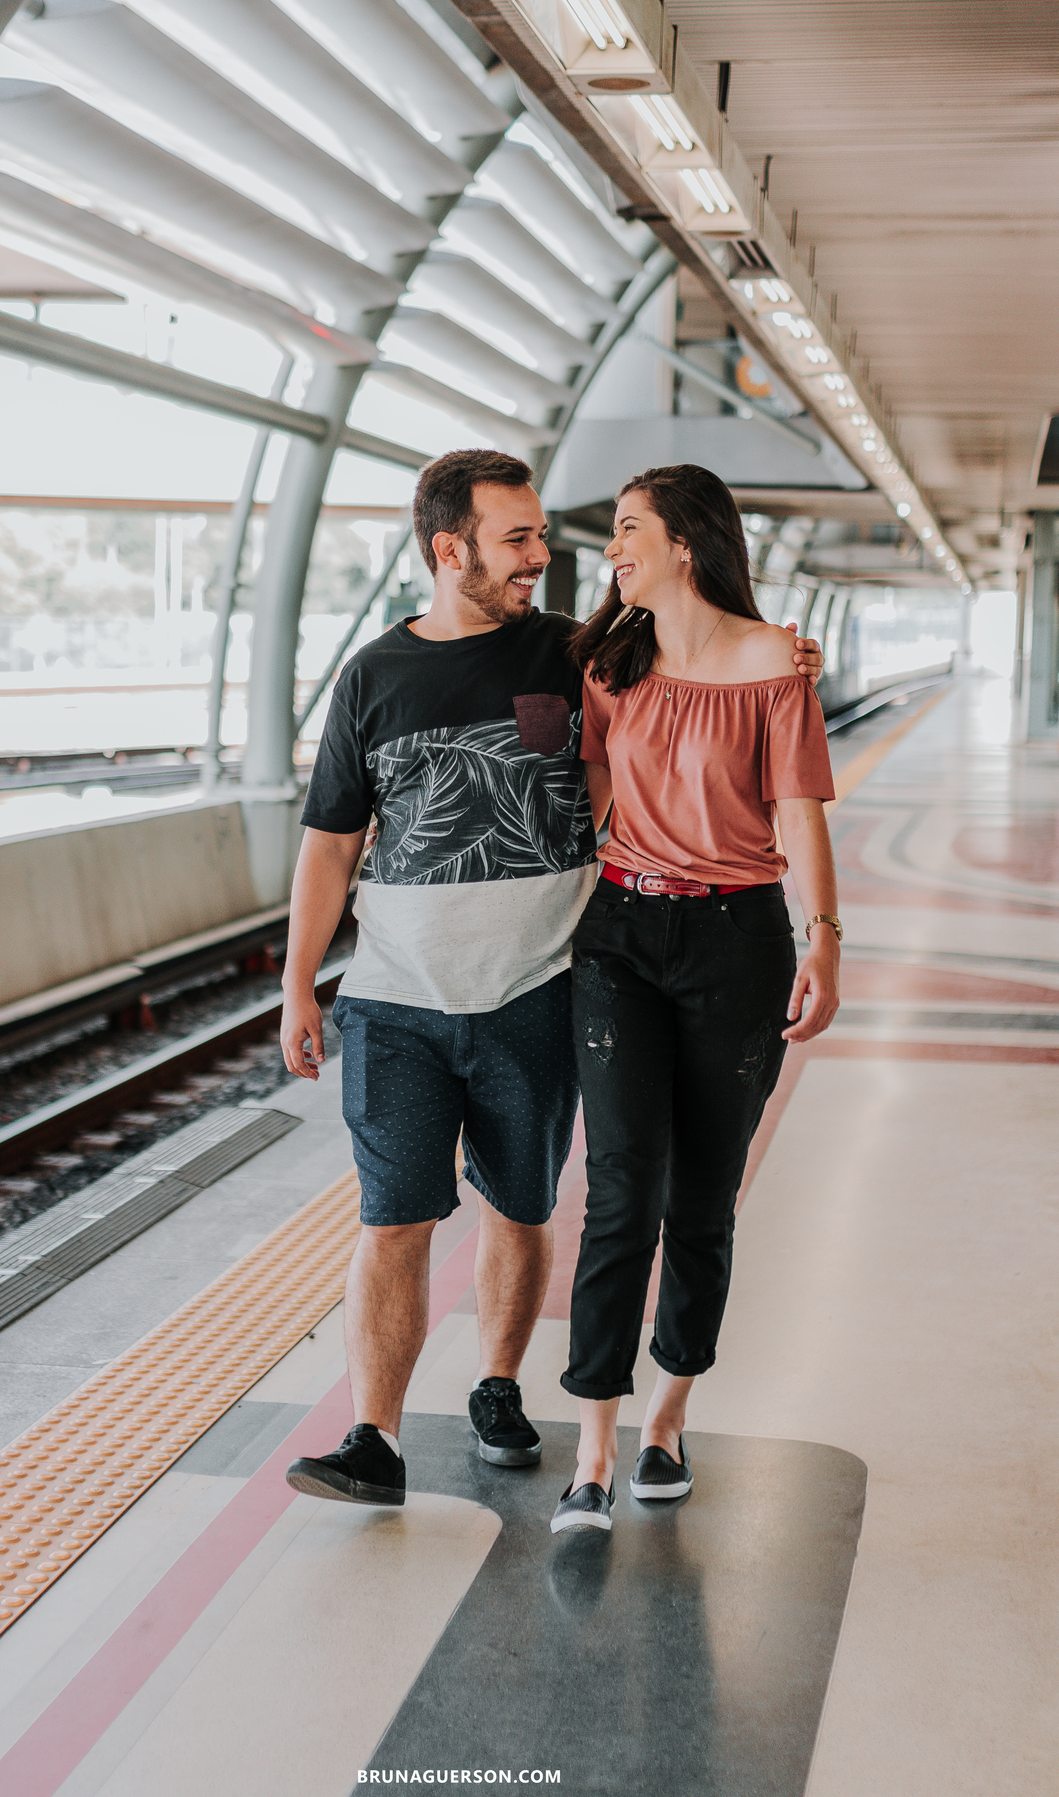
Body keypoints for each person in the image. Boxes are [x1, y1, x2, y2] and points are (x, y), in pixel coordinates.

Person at [277, 449, 823, 1509]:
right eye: (518, 539)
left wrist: (785, 656)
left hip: (537, 988)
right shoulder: (371, 678)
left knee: (522, 1207)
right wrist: (300, 983)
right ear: (451, 550)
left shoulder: (582, 654)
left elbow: (705, 669)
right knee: (394, 1215)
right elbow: (331, 844)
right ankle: (373, 1440)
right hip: (394, 996)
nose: (544, 555)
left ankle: (496, 1386)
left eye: (543, 534)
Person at [549, 463, 841, 1534]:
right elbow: (579, 792)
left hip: (738, 938)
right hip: (621, 933)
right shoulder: (607, 662)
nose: (614, 547)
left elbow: (799, 810)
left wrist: (827, 941)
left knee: (703, 1198)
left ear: (686, 543)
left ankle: (667, 1418)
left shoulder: (775, 662)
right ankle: (590, 1450)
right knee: (621, 1186)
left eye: (631, 529)